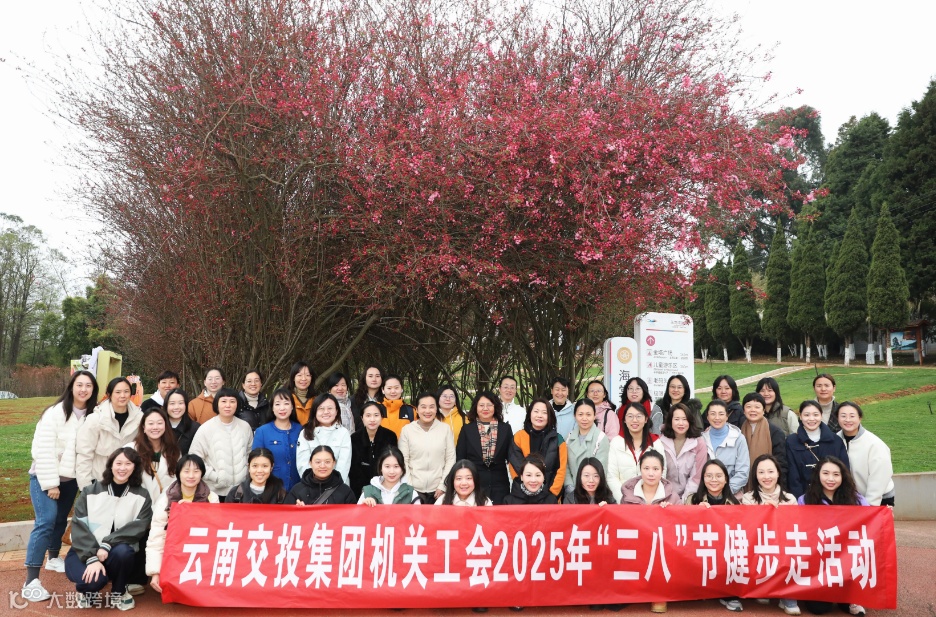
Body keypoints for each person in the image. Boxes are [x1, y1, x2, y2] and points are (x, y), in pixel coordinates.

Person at [23, 371, 99, 602]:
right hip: (45, 477)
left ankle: (54, 557)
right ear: (71, 387)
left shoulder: (93, 414)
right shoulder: (55, 413)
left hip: (72, 479)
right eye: (79, 385)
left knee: (59, 520)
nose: (83, 389)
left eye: (88, 386)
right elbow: (43, 450)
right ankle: (30, 581)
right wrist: (51, 484)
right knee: (45, 521)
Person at [65, 447, 153, 611]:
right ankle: (88, 592)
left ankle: (119, 592)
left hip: (116, 553)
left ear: (135, 467)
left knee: (124, 552)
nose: (122, 468)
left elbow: (138, 527)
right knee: (92, 582)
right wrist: (92, 558)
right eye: (118, 463)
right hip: (83, 550)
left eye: (128, 463)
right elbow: (79, 526)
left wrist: (107, 544)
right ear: (110, 465)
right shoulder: (90, 491)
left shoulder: (142, 495)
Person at [797, 457, 868, 616]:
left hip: (846, 558)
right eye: (826, 473)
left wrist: (885, 514)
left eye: (836, 474)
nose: (831, 479)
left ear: (843, 477)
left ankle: (850, 596)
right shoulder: (805, 500)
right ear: (818, 475)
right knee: (819, 609)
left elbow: (870, 520)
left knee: (846, 603)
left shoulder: (856, 499)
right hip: (818, 560)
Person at [147, 454, 219, 593]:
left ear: (202, 474)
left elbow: (215, 531)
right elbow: (157, 537)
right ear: (178, 473)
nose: (191, 475)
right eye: (186, 471)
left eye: (196, 471)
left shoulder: (211, 497)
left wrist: (192, 512)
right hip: (175, 550)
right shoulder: (166, 499)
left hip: (202, 550)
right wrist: (155, 572)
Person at [619, 449, 677, 614]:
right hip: (635, 544)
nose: (651, 473)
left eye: (655, 469)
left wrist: (671, 512)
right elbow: (621, 523)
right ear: (640, 469)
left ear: (662, 471)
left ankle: (658, 593)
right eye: (646, 468)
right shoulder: (628, 495)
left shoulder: (673, 497)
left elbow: (679, 528)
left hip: (661, 547)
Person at [685, 459, 743, 613]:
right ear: (703, 479)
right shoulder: (692, 500)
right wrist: (696, 512)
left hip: (724, 552)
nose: (713, 480)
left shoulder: (735, 503)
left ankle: (729, 594)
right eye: (709, 476)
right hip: (699, 550)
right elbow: (684, 529)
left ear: (726, 479)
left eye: (718, 476)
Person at [75, 377, 143, 489]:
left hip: (128, 482)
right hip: (100, 480)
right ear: (109, 394)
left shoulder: (139, 419)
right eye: (118, 392)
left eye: (126, 391)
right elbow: (84, 454)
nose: (122, 395)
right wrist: (85, 487)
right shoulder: (96, 419)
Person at [188, 388, 253, 499]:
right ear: (216, 404)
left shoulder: (245, 427)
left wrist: (246, 475)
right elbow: (195, 458)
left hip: (241, 490)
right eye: (223, 401)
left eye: (232, 401)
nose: (228, 405)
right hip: (215, 491)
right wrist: (216, 477)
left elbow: (250, 454)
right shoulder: (206, 428)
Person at [456, 391, 514, 504]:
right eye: (481, 405)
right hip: (475, 483)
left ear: (495, 407)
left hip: (500, 485)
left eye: (489, 405)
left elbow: (511, 456)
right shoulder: (467, 429)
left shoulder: (505, 428)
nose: (485, 408)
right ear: (476, 407)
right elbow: (460, 458)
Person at [399, 392, 456, 504]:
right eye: (423, 407)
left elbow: (450, 459)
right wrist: (410, 487)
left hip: (439, 491)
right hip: (414, 490)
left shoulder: (445, 429)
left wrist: (443, 485)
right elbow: (403, 460)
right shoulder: (407, 430)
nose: (427, 411)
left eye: (431, 407)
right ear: (417, 409)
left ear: (436, 409)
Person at [786, 400, 849, 498]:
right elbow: (792, 475)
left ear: (821, 416)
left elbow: (844, 471)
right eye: (806, 415)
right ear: (800, 416)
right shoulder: (791, 441)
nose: (811, 419)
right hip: (804, 497)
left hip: (833, 496)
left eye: (816, 415)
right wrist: (799, 499)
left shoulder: (836, 441)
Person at [837, 401, 895, 507]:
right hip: (849, 500)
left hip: (878, 499)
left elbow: (879, 478)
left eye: (852, 416)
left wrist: (869, 506)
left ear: (860, 418)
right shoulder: (835, 440)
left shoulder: (874, 444)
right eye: (843, 416)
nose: (848, 420)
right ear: (837, 418)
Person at [508, 397, 567, 499]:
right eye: (536, 411)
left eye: (544, 412)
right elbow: (514, 466)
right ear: (530, 414)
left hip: (550, 497)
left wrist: (552, 495)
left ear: (550, 416)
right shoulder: (519, 437)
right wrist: (524, 492)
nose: (539, 415)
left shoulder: (558, 439)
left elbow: (561, 470)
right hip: (522, 497)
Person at [608, 402, 664, 503]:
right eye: (630, 416)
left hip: (650, 502)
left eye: (639, 416)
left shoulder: (655, 443)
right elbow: (612, 476)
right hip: (623, 501)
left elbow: (662, 473)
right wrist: (625, 500)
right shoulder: (616, 442)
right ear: (624, 420)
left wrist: (650, 500)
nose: (634, 420)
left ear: (646, 419)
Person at [251, 388, 302, 491]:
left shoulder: (301, 430)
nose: (282, 408)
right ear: (272, 408)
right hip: (271, 488)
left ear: (292, 406)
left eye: (286, 403)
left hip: (298, 488)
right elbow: (255, 461)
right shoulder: (262, 431)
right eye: (277, 404)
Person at [657, 402, 707, 502]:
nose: (681, 423)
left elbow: (696, 477)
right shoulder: (659, 441)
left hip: (689, 496)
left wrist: (685, 500)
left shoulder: (699, 443)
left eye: (684, 419)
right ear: (670, 421)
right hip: (663, 496)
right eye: (677, 419)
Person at [297, 393, 352, 483]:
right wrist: (312, 484)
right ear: (315, 411)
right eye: (321, 409)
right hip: (311, 486)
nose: (326, 412)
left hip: (338, 485)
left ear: (337, 411)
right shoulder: (305, 432)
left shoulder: (343, 433)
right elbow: (303, 464)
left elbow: (344, 465)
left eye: (330, 408)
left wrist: (333, 485)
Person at [130, 408, 180, 504]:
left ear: (166, 426)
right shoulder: (131, 450)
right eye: (151, 423)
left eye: (159, 423)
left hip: (163, 505)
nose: (155, 427)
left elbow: (176, 483)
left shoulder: (174, 452)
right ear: (143, 427)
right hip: (137, 505)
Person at [564, 399, 610, 502]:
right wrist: (569, 486)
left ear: (594, 415)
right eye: (580, 414)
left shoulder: (601, 438)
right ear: (575, 416)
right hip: (572, 493)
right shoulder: (569, 438)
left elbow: (601, 469)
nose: (584, 418)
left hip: (593, 492)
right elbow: (565, 465)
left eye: (588, 414)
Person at [349, 401, 398, 497]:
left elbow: (393, 462)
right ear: (362, 418)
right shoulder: (354, 438)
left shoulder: (390, 436)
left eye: (376, 415)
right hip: (360, 489)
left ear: (382, 417)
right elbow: (354, 469)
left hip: (385, 487)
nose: (372, 419)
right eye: (368, 415)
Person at [701, 400, 750, 496]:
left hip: (731, 494)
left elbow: (742, 472)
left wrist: (724, 492)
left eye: (721, 414)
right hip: (705, 494)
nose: (717, 418)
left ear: (727, 416)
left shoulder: (738, 438)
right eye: (713, 414)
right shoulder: (701, 439)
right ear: (707, 417)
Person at [740, 392, 788, 483]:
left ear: (763, 410)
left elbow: (781, 463)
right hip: (742, 483)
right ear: (743, 410)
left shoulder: (775, 432)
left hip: (768, 481)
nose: (753, 410)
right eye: (748, 407)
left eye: (757, 407)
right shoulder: (738, 431)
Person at [285, 445, 357, 505]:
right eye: (318, 462)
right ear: (310, 463)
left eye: (327, 462)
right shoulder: (297, 490)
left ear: (334, 463)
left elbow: (353, 515)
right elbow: (286, 515)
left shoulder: (345, 492)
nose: (322, 466)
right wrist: (297, 511)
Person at [163, 388, 198, 456]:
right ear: (166, 405)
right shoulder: (159, 427)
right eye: (172, 403)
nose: (176, 407)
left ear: (186, 405)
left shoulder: (195, 428)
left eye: (180, 403)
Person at [288, 361, 316, 425]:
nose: (303, 379)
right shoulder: (286, 398)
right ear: (293, 378)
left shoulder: (316, 400)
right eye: (299, 375)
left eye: (307, 375)